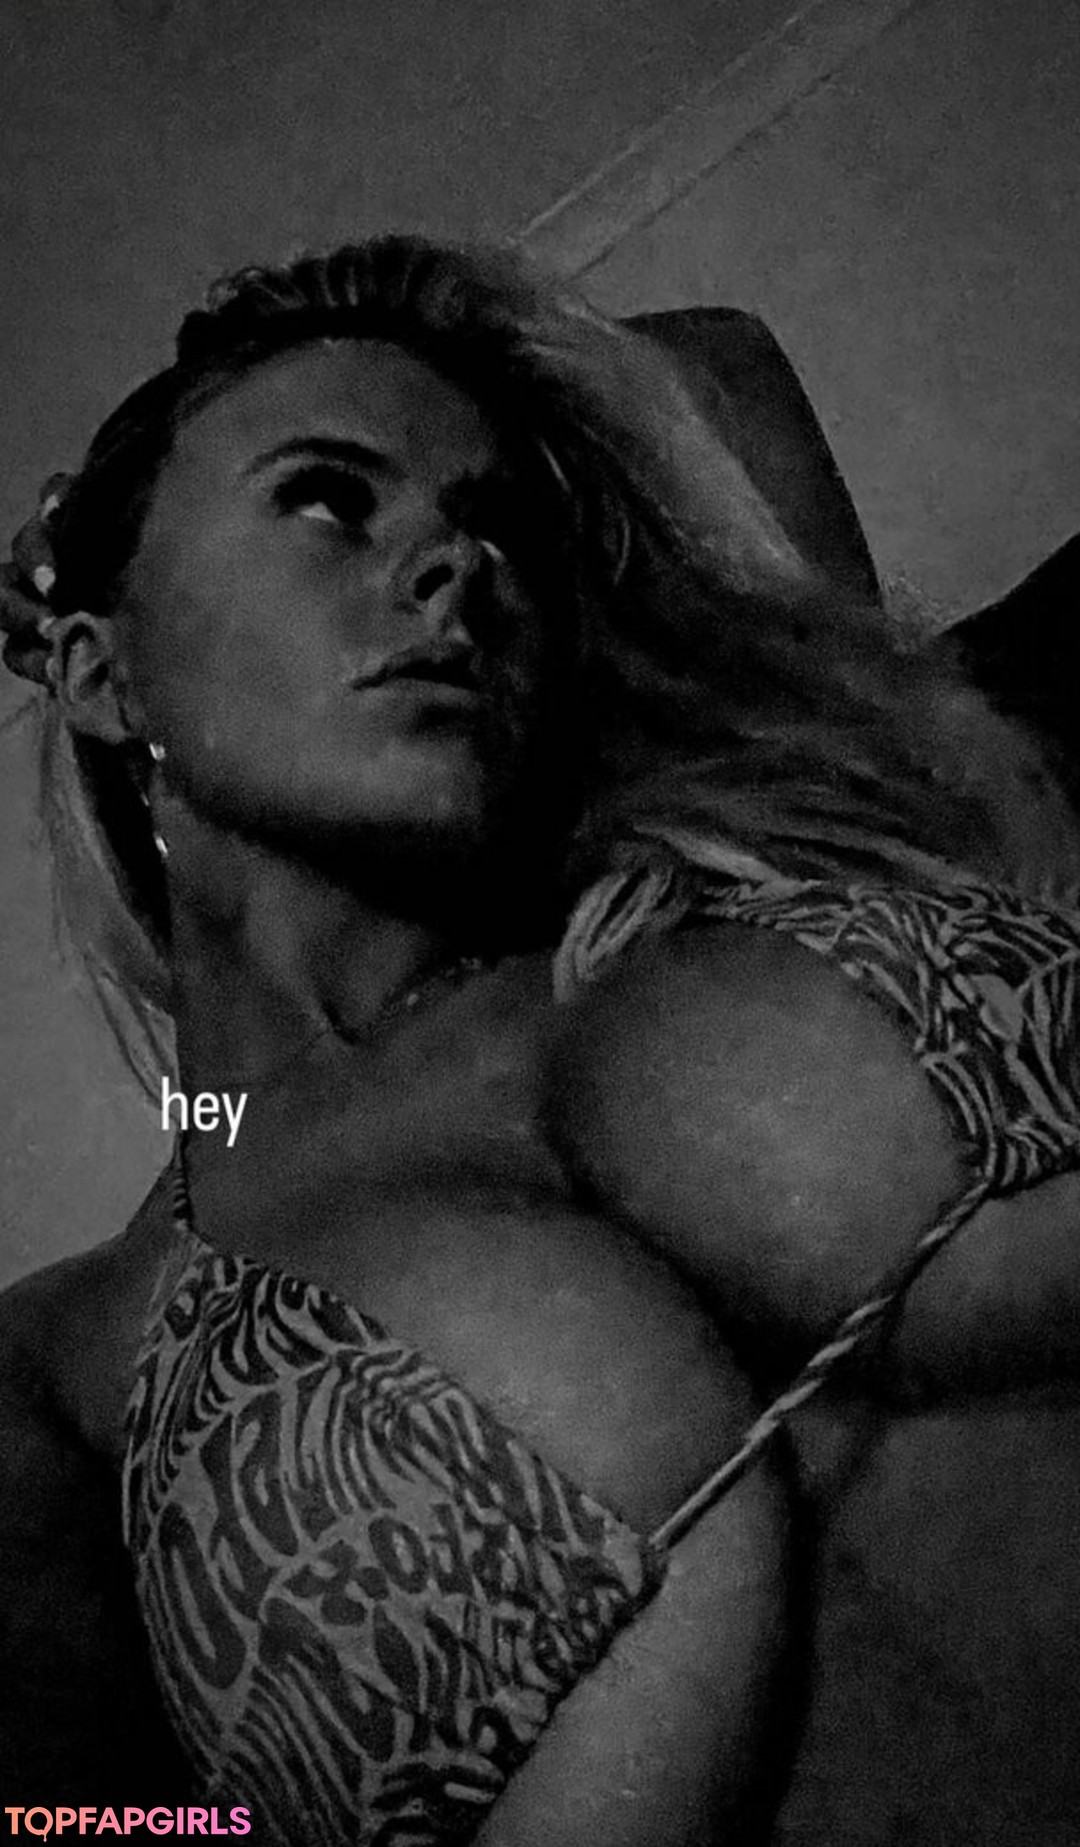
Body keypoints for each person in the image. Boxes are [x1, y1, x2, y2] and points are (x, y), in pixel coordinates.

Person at [2, 234, 1079, 1846]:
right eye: (329, 500)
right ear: (101, 673)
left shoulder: (754, 882)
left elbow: (713, 370)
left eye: (492, 522)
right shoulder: (70, 1352)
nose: (454, 564)